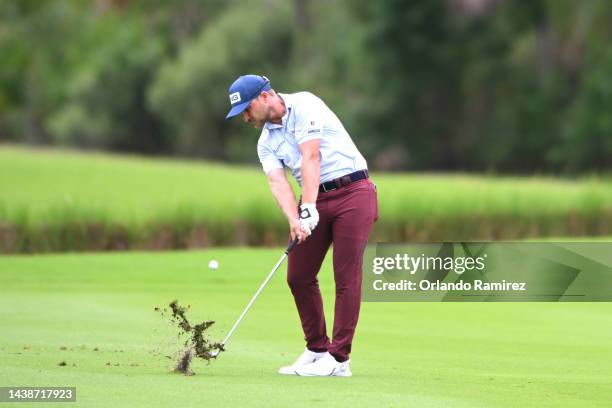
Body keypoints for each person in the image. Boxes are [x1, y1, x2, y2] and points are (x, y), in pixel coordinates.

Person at [225, 74, 378, 377]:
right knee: (299, 275)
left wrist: (307, 207)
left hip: (353, 192)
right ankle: (317, 348)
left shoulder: (306, 104)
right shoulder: (265, 143)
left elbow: (311, 156)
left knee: (345, 276)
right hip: (314, 199)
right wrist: (295, 219)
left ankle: (339, 360)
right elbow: (277, 182)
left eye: (246, 109)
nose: (245, 118)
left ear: (265, 96)